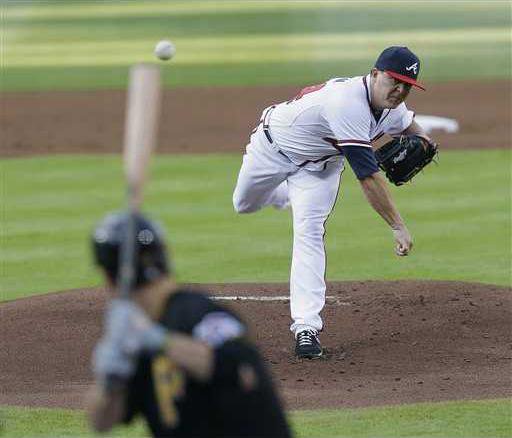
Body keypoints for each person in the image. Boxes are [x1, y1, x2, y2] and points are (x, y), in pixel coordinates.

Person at [232, 46, 436, 360]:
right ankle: (284, 195)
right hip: (271, 150)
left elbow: (410, 128)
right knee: (243, 204)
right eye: (393, 81)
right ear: (375, 74)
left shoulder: (393, 107)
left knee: (309, 232)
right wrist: (398, 226)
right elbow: (368, 177)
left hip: (319, 170)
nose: (399, 90)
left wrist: (426, 142)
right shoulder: (347, 103)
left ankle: (306, 328)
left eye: (407, 85)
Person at [86, 212, 291, 438]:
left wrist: (158, 340)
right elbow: (101, 422)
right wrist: (110, 381)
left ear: (108, 278)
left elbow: (236, 363)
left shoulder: (199, 312)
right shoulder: (134, 340)